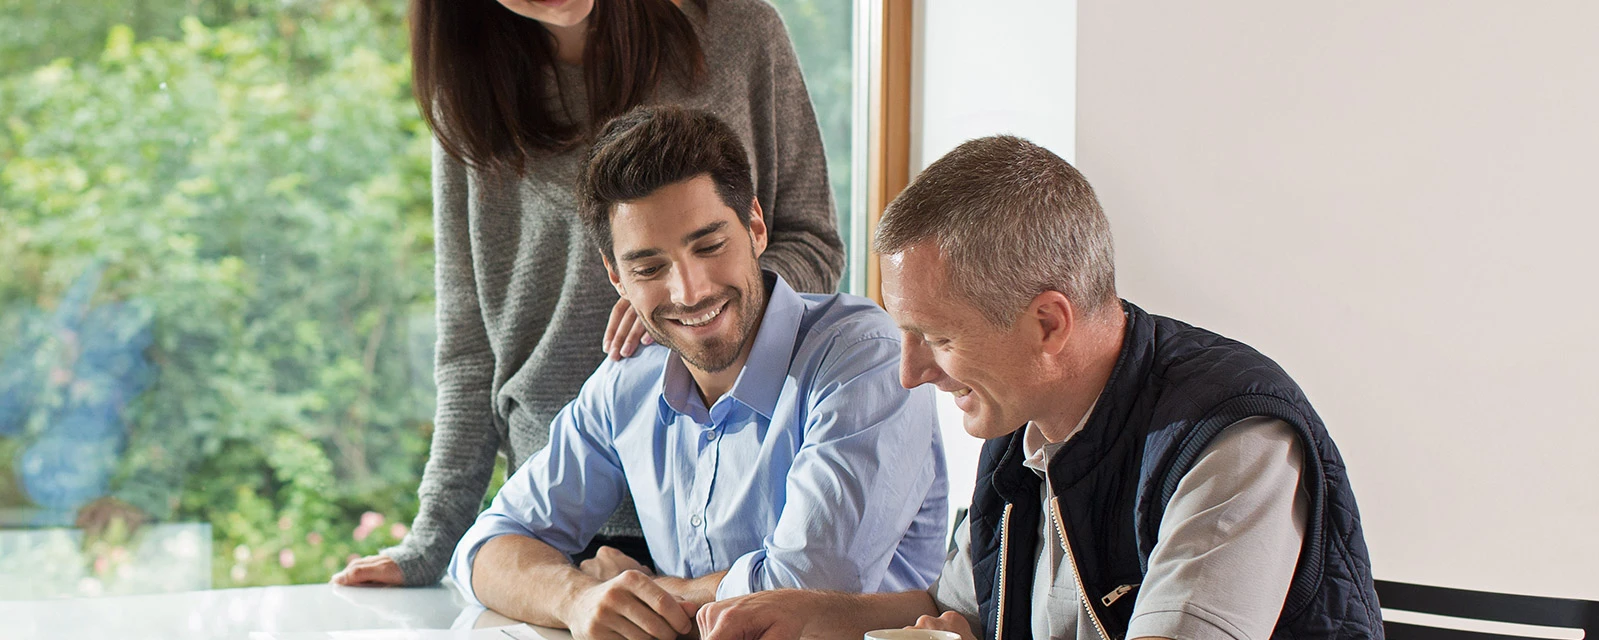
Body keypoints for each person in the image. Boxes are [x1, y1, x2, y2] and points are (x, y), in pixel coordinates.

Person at [696, 135, 1383, 640]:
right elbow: (963, 611)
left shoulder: (1232, 441)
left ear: (1049, 323)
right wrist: (822, 614)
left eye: (937, 338)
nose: (911, 373)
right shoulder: (1017, 427)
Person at [334, 0, 844, 586]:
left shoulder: (738, 30)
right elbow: (471, 348)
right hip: (559, 509)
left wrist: (686, 304)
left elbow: (813, 243)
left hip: (739, 491)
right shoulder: (470, 94)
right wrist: (436, 536)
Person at [448, 105, 946, 638]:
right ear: (616, 276)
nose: (690, 291)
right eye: (649, 268)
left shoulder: (862, 358)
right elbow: (485, 549)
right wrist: (576, 596)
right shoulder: (627, 384)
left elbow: (801, 592)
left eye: (709, 246)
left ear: (755, 226)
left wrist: (650, 589)